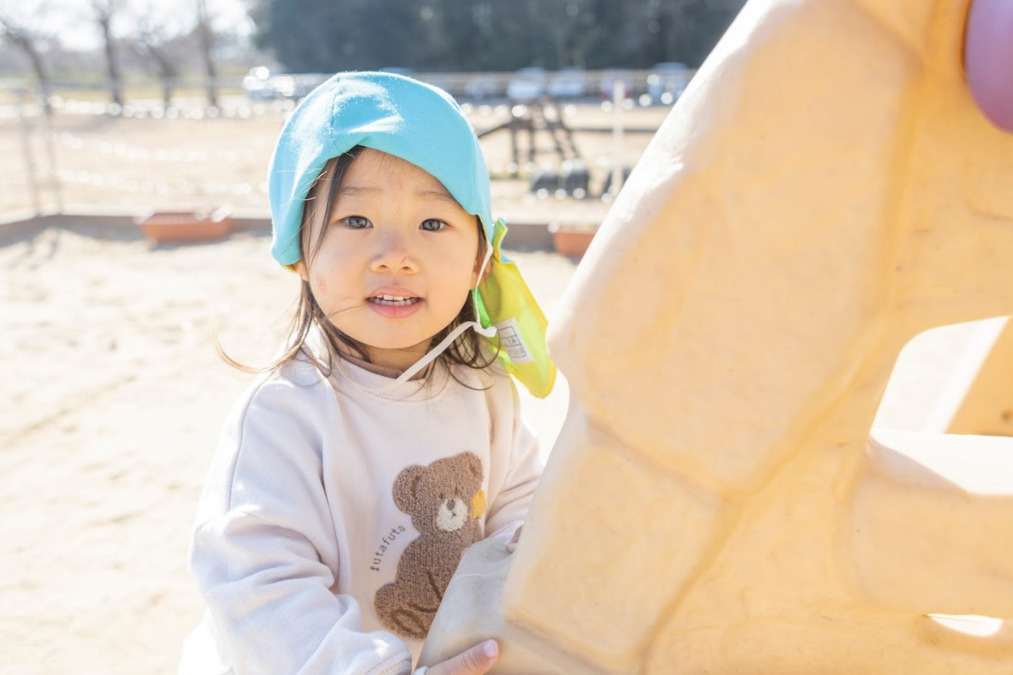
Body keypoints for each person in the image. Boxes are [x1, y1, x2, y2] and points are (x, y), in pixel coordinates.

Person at [179, 71, 556, 675]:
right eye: (356, 221)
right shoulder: (287, 414)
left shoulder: (485, 387)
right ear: (299, 252)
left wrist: (529, 562)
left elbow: (520, 500)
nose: (395, 254)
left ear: (480, 257)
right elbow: (257, 586)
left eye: (434, 224)